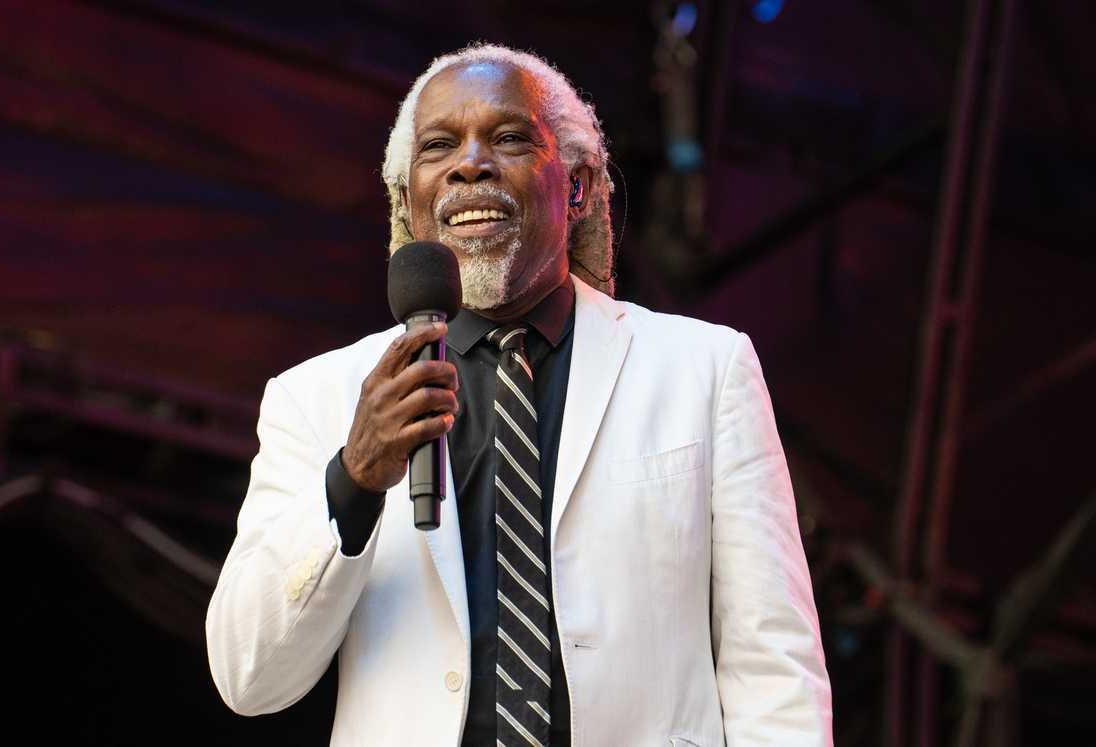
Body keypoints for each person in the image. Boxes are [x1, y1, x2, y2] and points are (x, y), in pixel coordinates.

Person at [206, 43, 833, 746]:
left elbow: (773, 666)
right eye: (439, 145)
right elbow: (247, 676)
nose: (469, 163)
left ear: (577, 183)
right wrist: (352, 479)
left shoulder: (705, 370)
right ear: (408, 202)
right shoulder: (315, 399)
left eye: (507, 138)